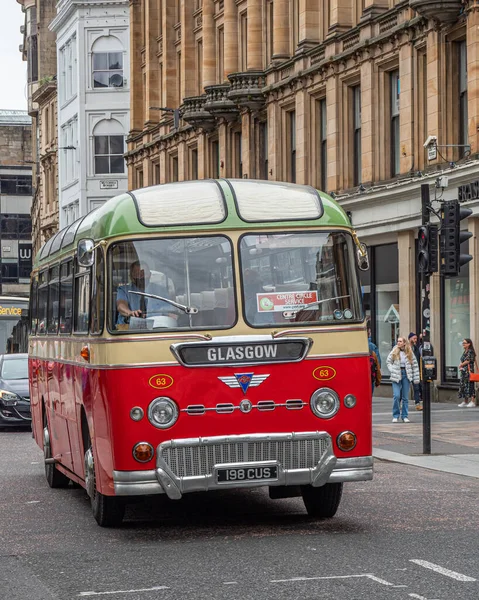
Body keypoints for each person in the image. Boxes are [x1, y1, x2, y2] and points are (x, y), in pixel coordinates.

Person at [116, 261, 178, 325]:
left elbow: (169, 310)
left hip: (157, 327)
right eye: (137, 273)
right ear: (132, 276)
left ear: (150, 274)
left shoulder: (160, 290)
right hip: (129, 329)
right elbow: (121, 305)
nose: (141, 276)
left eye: (143, 273)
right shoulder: (124, 290)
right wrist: (130, 313)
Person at [387, 336, 420, 423]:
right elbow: (388, 361)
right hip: (397, 374)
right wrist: (392, 370)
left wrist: (416, 378)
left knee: (405, 397)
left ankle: (405, 416)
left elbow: (415, 366)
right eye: (398, 341)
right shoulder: (394, 350)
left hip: (406, 374)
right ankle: (395, 415)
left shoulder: (409, 352)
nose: (398, 343)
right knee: (396, 396)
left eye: (400, 341)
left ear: (404, 343)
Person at [458, 338, 478, 408]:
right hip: (463, 371)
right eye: (463, 343)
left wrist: (461, 365)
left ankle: (472, 401)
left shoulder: (470, 351)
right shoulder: (465, 351)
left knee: (470, 385)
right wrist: (461, 365)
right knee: (463, 385)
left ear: (469, 344)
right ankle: (465, 401)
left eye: (464, 343)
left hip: (469, 371)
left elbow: (468, 360)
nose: (463, 344)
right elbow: (462, 359)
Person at [408, 332, 423, 411]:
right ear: (410, 338)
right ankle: (399, 402)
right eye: (414, 338)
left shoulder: (416, 348)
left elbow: (418, 359)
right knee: (403, 388)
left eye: (416, 338)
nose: (415, 340)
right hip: (406, 370)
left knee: (416, 387)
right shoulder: (405, 348)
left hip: (414, 370)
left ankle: (417, 404)